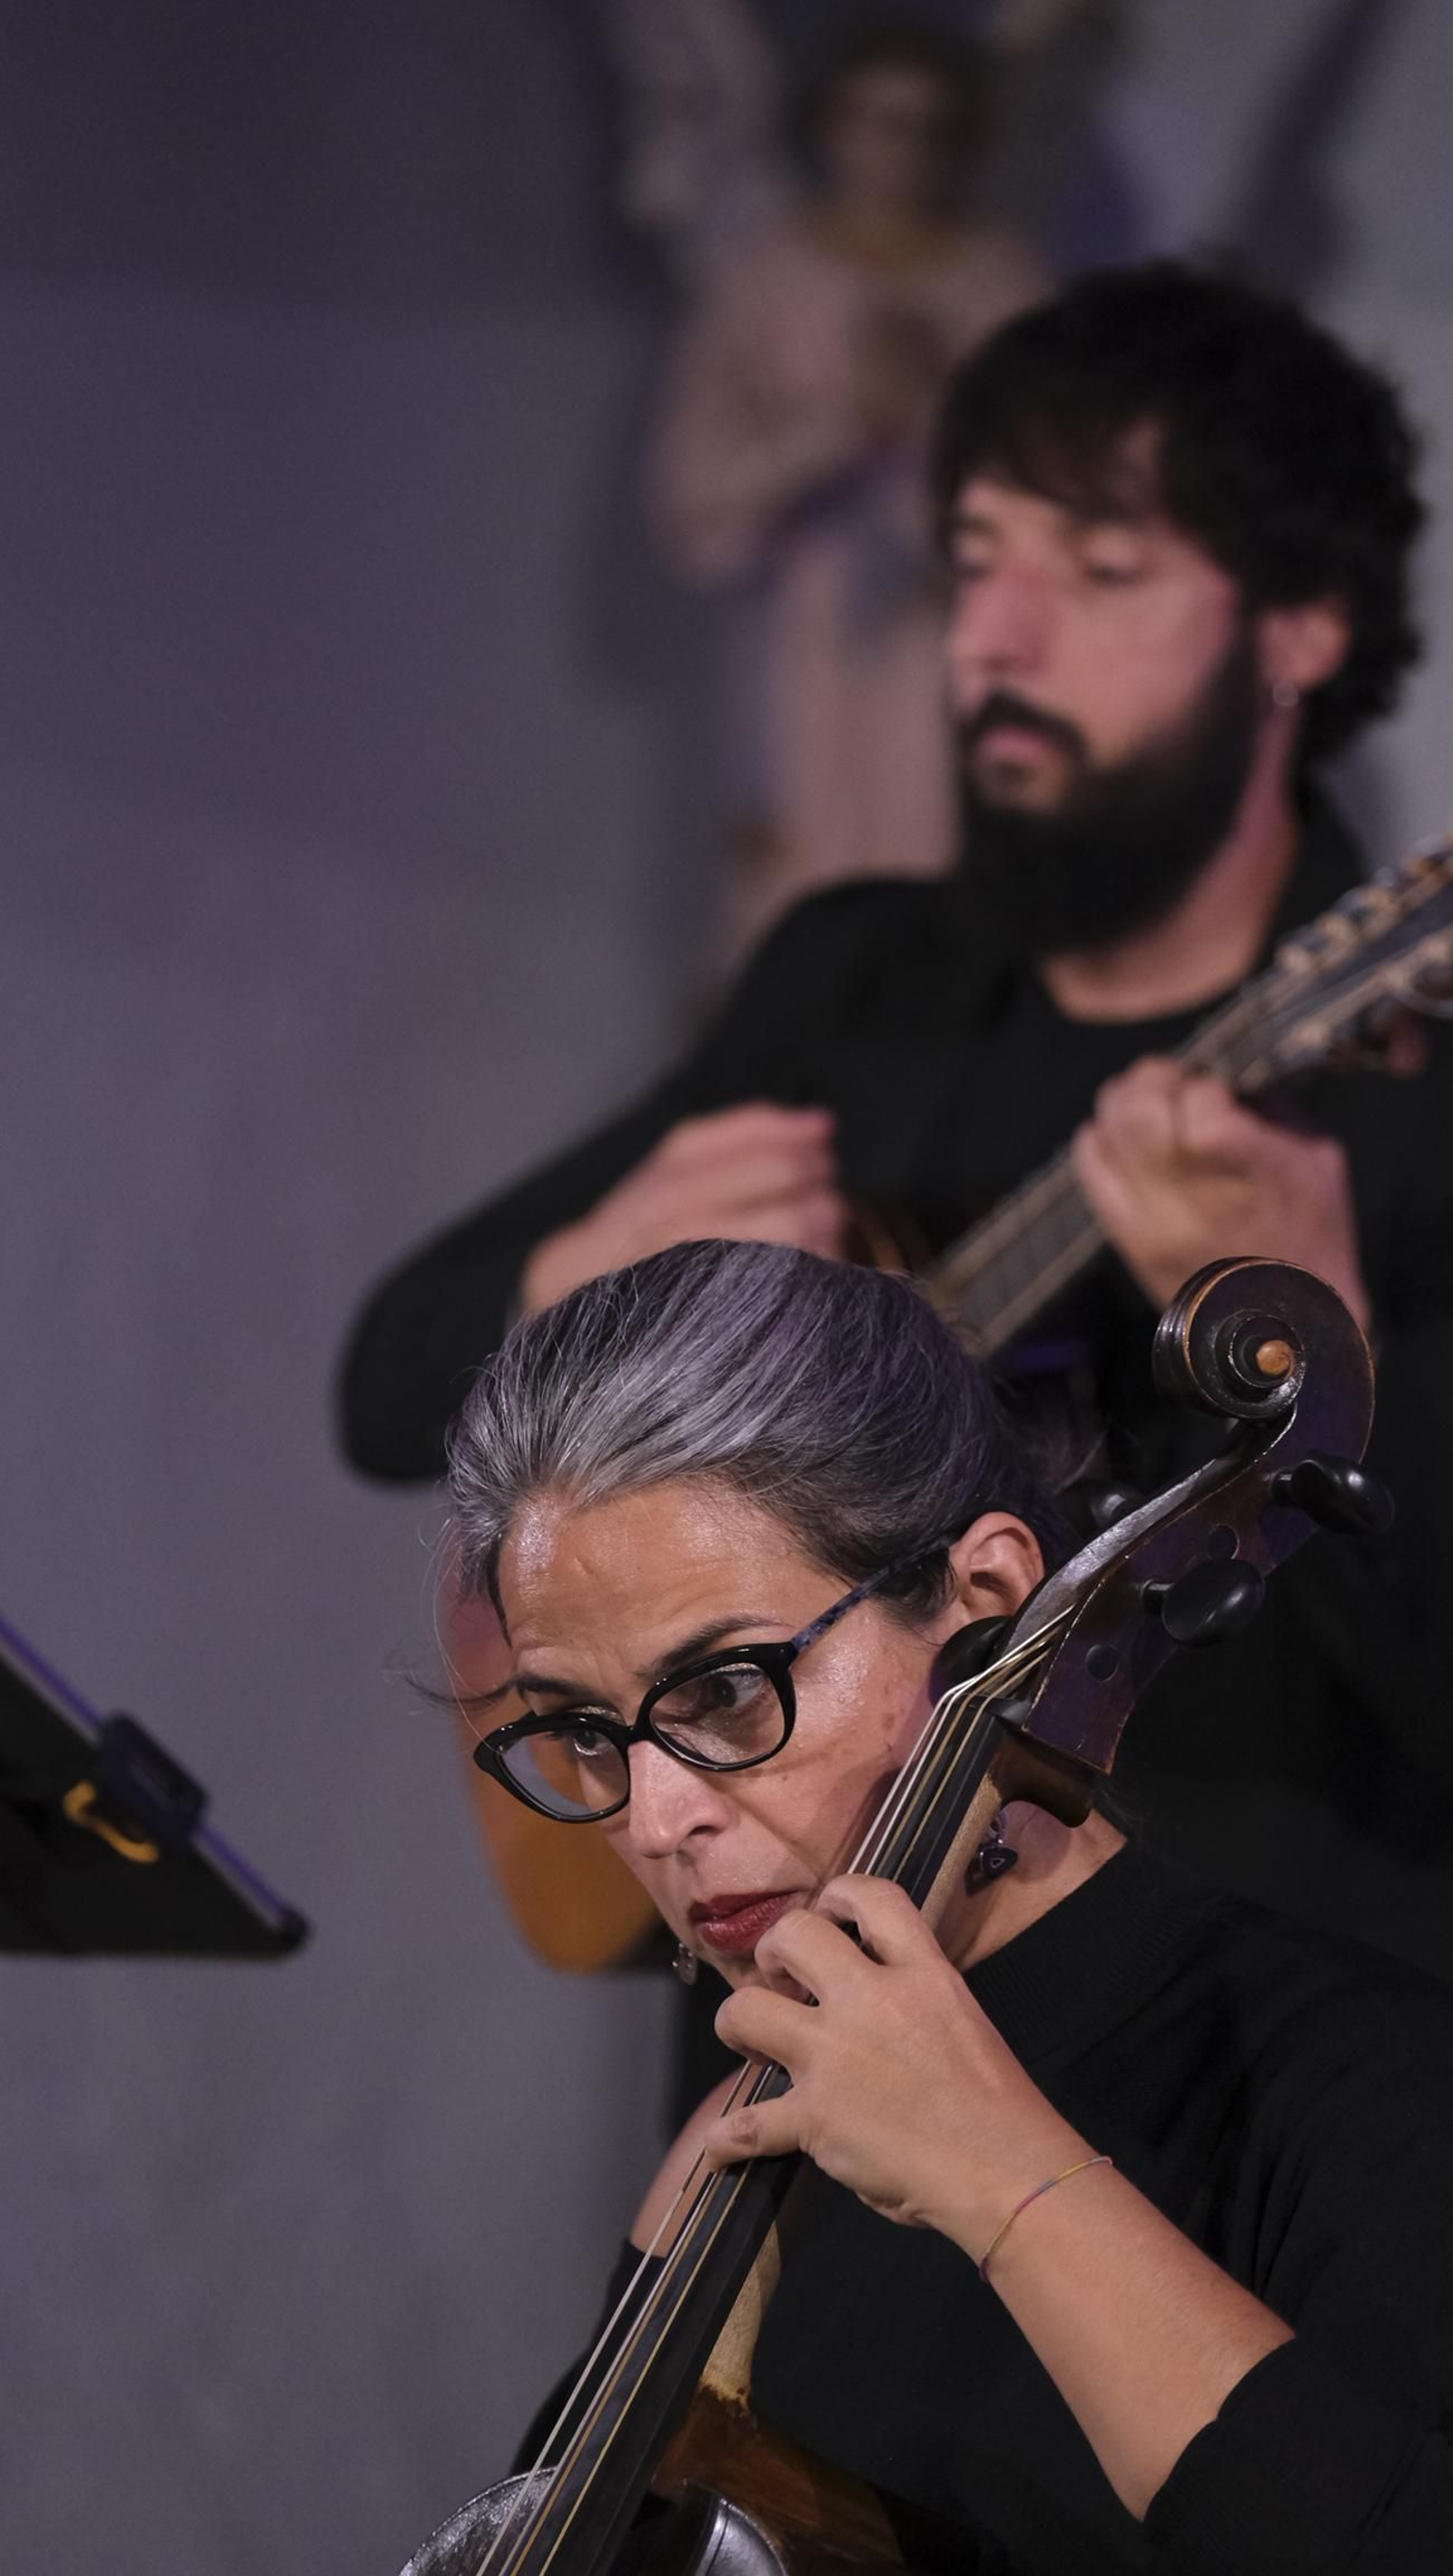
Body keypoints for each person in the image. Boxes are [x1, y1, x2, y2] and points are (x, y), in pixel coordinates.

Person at [341, 260, 1453, 2021]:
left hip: (1252, 2060)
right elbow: (387, 1379)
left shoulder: (1400, 1101)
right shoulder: (861, 978)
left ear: (1298, 626)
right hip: (805, 2027)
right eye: (975, 560)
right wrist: (590, 1265)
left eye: (1096, 571)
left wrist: (1322, 1333)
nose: (991, 641)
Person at [431, 1238, 1453, 2575]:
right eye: (586, 1731)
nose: (650, 1817)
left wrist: (1000, 2176)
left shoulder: (1357, 2081)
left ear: (986, 1603)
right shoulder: (724, 2166)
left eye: (730, 1689)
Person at [637, 9, 1045, 954]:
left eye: (918, 127)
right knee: (791, 884)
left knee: (944, 879)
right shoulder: (768, 278)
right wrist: (838, 423)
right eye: (869, 120)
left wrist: (935, 430)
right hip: (803, 632)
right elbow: (693, 482)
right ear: (828, 127)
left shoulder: (996, 285)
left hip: (950, 630)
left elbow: (1050, 482)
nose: (890, 151)